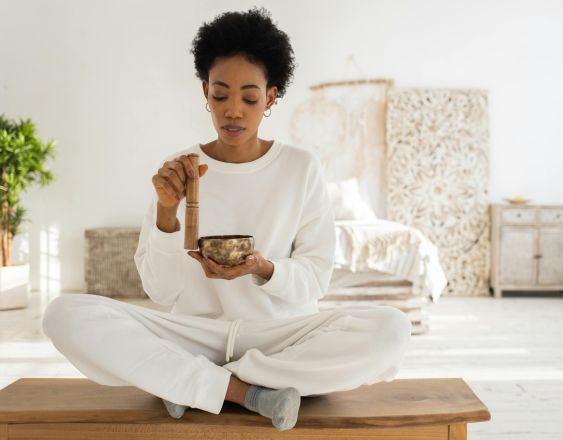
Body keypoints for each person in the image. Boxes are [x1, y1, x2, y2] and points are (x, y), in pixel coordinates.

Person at [42, 7, 411, 432]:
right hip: (195, 335)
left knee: (391, 330)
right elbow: (161, 290)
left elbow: (316, 278)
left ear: (271, 97)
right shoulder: (179, 169)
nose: (233, 110)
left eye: (250, 98)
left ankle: (190, 384)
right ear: (205, 91)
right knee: (63, 314)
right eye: (220, 95)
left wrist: (262, 268)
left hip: (279, 338)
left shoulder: (300, 167)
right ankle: (247, 394)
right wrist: (166, 211)